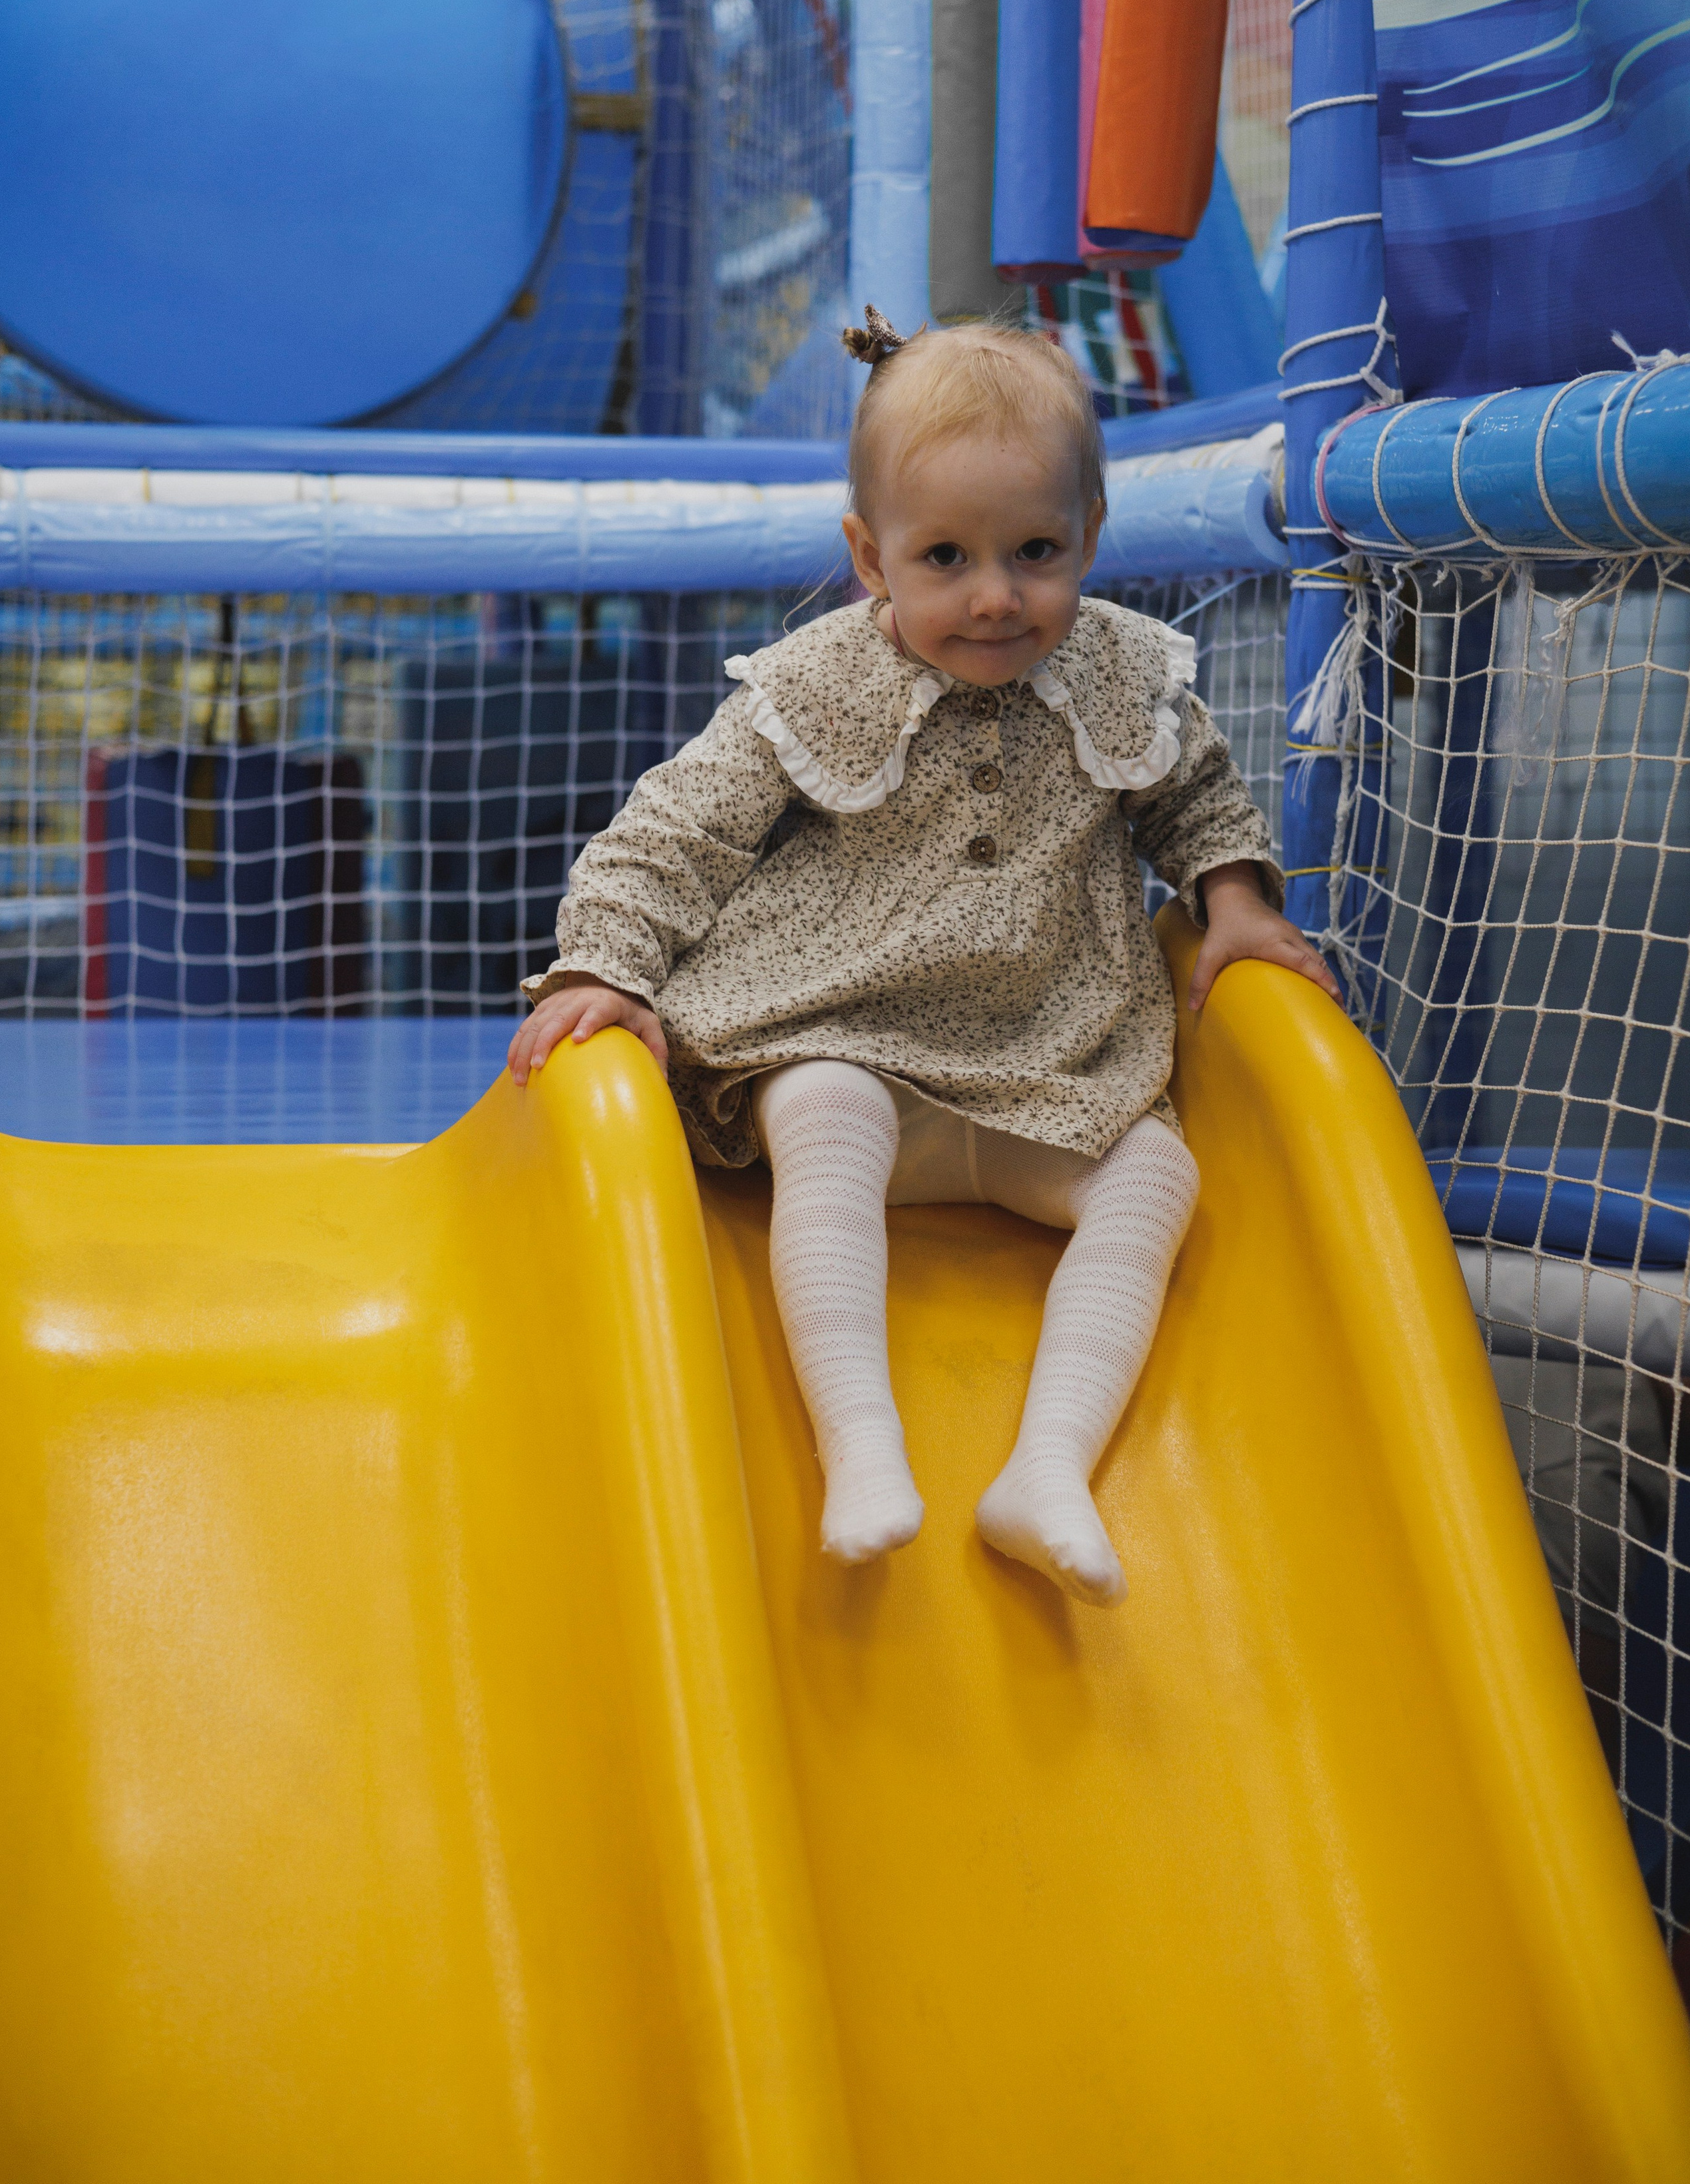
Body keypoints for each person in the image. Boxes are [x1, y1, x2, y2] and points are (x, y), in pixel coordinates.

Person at [509, 307, 1339, 1605]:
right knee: (821, 1110)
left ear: (1089, 539)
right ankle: (861, 1442)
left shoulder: (1120, 672)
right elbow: (670, 835)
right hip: (837, 1038)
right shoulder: (812, 685)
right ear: (867, 554)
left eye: (1034, 552)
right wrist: (598, 969)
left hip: (1050, 1067)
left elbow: (1190, 792)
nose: (994, 594)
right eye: (943, 556)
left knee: (1156, 1177)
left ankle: (1046, 1469)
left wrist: (1230, 900)